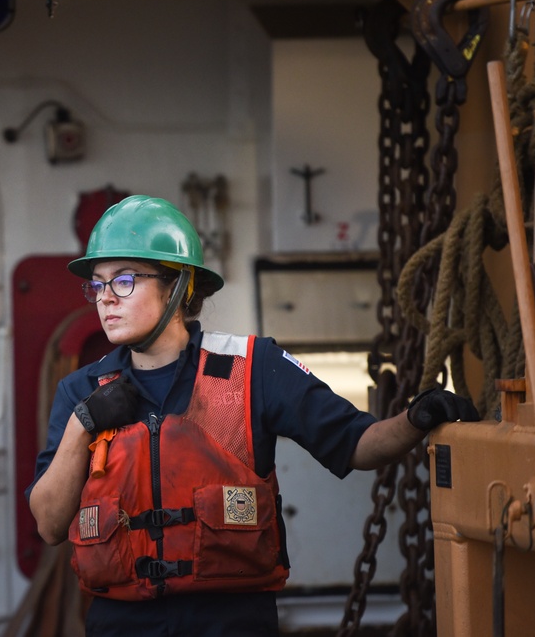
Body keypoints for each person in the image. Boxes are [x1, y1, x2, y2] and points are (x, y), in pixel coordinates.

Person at [25, 195, 478, 636]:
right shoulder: (82, 391)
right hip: (121, 624)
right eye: (97, 284)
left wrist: (416, 419)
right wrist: (82, 423)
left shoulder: (254, 367)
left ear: (179, 285)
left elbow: (357, 443)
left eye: (123, 280)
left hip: (231, 621)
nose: (105, 298)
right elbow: (48, 525)